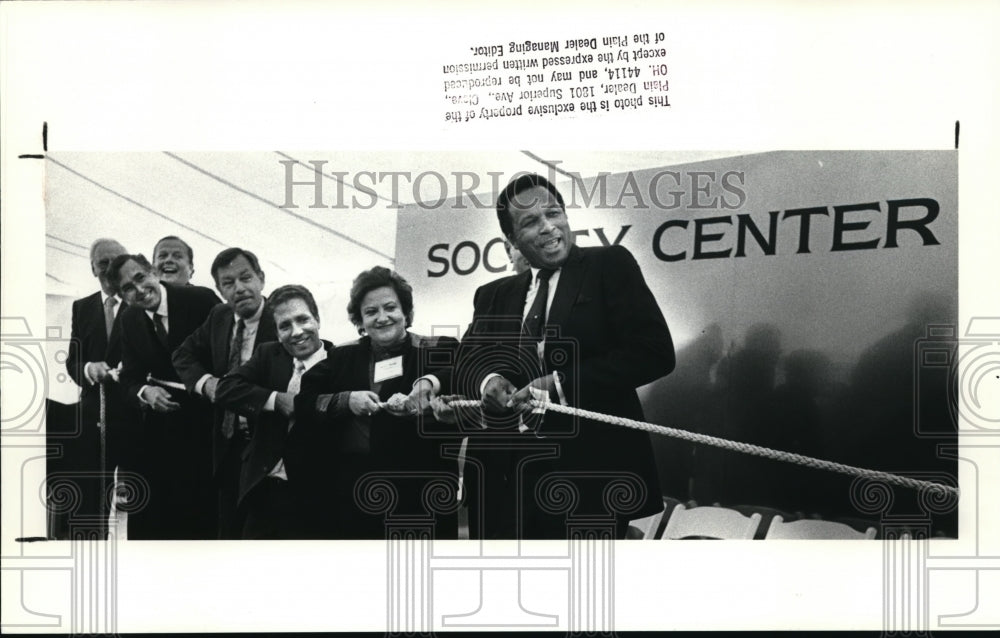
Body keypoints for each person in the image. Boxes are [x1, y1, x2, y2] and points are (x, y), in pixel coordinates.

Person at [430, 174, 675, 539]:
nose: (548, 227)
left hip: (589, 481)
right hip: (503, 483)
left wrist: (559, 384)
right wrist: (487, 382)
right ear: (511, 240)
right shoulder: (492, 294)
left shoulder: (608, 264)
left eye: (554, 213)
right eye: (530, 221)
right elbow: (467, 361)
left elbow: (654, 352)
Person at [297, 267, 461, 539]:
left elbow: (462, 374)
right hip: (356, 495)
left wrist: (427, 389)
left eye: (390, 308)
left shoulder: (438, 348)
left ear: (406, 313)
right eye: (371, 312)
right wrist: (346, 401)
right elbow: (306, 403)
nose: (382, 318)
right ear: (360, 320)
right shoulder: (341, 357)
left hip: (422, 493)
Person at [108, 253, 221, 539]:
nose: (139, 290)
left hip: (210, 418)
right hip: (166, 422)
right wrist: (146, 392)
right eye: (127, 288)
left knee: (204, 511)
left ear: (154, 272)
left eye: (140, 278)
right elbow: (130, 377)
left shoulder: (201, 300)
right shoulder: (130, 318)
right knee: (158, 512)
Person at [171, 248, 277, 538]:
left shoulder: (281, 317)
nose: (240, 288)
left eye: (246, 278)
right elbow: (182, 354)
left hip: (267, 448)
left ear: (261, 279)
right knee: (228, 532)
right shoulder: (219, 316)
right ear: (219, 290)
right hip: (227, 447)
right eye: (228, 283)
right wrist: (206, 383)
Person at [214, 284, 334, 539]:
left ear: (318, 319)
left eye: (303, 319)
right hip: (262, 490)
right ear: (277, 332)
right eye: (285, 325)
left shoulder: (340, 361)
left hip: (313, 498)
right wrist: (275, 400)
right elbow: (225, 388)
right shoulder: (269, 354)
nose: (297, 332)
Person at [62, 238, 130, 535]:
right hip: (95, 416)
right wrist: (89, 369)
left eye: (118, 261)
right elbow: (73, 361)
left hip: (136, 412)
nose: (111, 268)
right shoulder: (82, 307)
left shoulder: (141, 301)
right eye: (104, 262)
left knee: (140, 498)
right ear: (93, 269)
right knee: (91, 494)